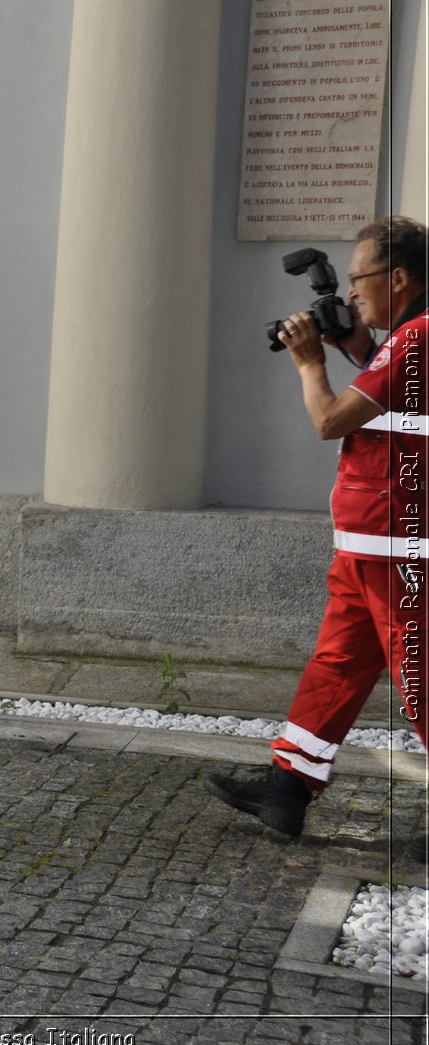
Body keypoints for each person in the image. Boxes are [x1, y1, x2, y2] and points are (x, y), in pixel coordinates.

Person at [207, 216, 428, 843]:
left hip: (399, 547)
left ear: (400, 277)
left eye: (360, 279)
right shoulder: (404, 340)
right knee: (336, 666)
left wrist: (309, 363)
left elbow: (331, 420)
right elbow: (401, 403)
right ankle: (289, 786)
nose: (352, 293)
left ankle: (290, 786)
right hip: (369, 542)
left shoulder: (419, 337)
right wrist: (357, 348)